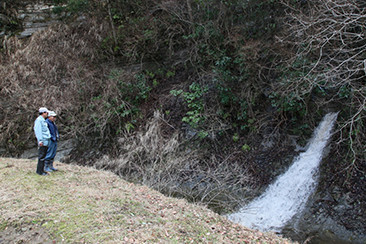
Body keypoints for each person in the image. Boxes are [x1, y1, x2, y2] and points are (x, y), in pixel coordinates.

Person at [33, 107, 51, 175]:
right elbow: (38, 131)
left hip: (46, 141)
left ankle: (42, 170)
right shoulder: (39, 120)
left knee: (43, 156)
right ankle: (40, 172)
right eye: (46, 112)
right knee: (41, 157)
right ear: (43, 113)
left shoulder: (42, 120)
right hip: (43, 141)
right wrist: (40, 141)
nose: (47, 114)